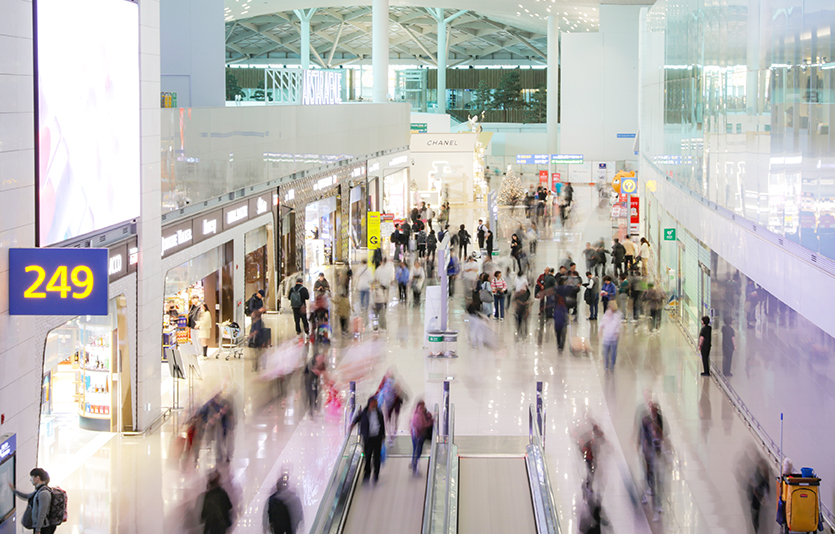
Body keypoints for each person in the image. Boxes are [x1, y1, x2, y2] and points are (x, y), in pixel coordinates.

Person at [9, 467, 56, 534]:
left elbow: (42, 513)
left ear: (37, 478)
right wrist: (14, 490)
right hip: (40, 527)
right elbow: (27, 496)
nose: (30, 480)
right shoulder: (38, 490)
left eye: (32, 477)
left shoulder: (43, 493)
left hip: (43, 528)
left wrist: (38, 530)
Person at [351, 396, 386, 482]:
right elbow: (357, 418)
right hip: (368, 438)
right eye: (375, 402)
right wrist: (352, 425)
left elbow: (382, 424)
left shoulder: (379, 412)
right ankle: (367, 473)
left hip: (377, 438)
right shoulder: (365, 412)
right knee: (368, 456)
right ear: (371, 403)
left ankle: (376, 474)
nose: (376, 404)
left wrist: (383, 435)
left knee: (376, 457)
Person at [265, 470, 303, 534]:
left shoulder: (273, 498)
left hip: (280, 523)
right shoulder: (292, 496)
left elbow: (270, 511)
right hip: (286, 523)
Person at [409, 400, 434, 474]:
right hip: (417, 436)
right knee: (417, 450)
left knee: (418, 450)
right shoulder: (418, 415)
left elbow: (427, 417)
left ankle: (414, 462)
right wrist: (430, 423)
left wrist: (429, 416)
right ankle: (414, 464)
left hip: (419, 435)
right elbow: (422, 425)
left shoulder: (422, 413)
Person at [600, 302, 623, 371]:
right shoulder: (606, 314)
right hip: (607, 338)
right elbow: (602, 323)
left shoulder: (617, 316)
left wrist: (617, 333)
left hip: (613, 338)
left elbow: (618, 325)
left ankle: (611, 365)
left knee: (612, 352)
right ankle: (607, 365)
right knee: (606, 353)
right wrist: (600, 331)